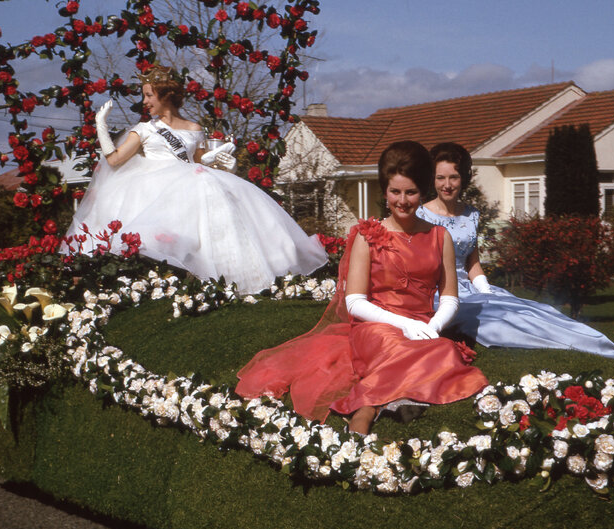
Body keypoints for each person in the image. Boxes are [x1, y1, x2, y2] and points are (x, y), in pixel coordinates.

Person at [236, 141, 488, 434]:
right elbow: (355, 301)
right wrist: (403, 324)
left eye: (411, 192)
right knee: (394, 345)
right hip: (376, 324)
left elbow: (449, 297)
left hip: (424, 325)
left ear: (423, 192)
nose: (403, 201)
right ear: (385, 192)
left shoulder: (439, 236)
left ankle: (384, 399)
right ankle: (366, 411)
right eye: (395, 192)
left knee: (444, 350)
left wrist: (435, 325)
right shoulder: (367, 236)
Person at [62, 65, 327, 294]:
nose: (144, 102)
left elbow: (199, 161)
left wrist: (225, 164)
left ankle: (241, 279)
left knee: (221, 212)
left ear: (165, 95)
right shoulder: (143, 130)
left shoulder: (194, 128)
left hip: (193, 182)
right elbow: (114, 160)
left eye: (148, 95)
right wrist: (100, 126)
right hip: (155, 187)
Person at [416, 142, 614, 361]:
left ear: (463, 179)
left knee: (532, 312)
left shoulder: (470, 214)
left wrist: (485, 290)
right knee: (502, 322)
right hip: (440, 293)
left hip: (472, 288)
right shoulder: (421, 216)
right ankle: (548, 345)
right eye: (440, 178)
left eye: (454, 177)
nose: (447, 184)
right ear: (432, 179)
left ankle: (590, 345)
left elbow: (472, 262)